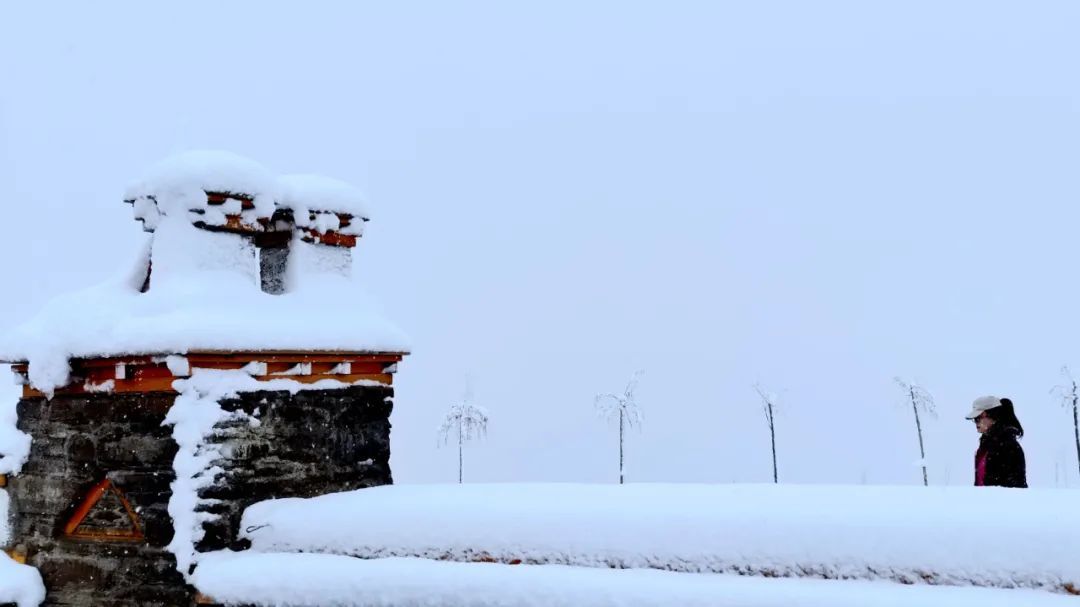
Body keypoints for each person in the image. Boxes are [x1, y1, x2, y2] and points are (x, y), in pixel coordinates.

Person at [965, 396, 1027, 488]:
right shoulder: (985, 446)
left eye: (979, 417)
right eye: (975, 419)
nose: (976, 422)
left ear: (993, 415)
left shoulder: (1009, 446)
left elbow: (1016, 487)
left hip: (1002, 502)